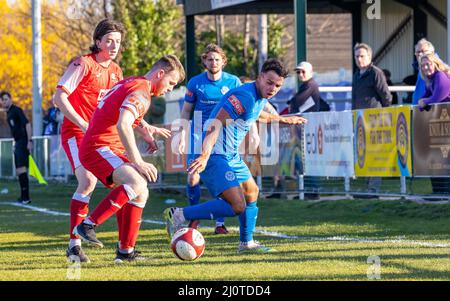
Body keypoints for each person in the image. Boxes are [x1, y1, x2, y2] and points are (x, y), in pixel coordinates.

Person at [165, 59, 306, 253]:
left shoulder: (257, 97)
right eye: (269, 82)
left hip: (229, 155)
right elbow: (214, 124)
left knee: (251, 192)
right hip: (214, 153)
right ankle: (179, 214)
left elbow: (256, 115)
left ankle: (246, 243)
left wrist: (282, 119)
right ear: (260, 77)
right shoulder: (244, 96)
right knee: (237, 205)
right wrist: (205, 156)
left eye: (278, 85)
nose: (273, 88)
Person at [73, 54, 185, 263]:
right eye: (171, 82)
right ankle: (88, 225)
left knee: (140, 192)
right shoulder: (142, 92)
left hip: (105, 147)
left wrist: (146, 130)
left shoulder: (133, 82)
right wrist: (138, 162)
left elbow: (123, 113)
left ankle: (126, 252)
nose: (170, 88)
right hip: (98, 147)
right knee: (137, 181)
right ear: (160, 74)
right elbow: (123, 124)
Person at [53, 19, 125, 263]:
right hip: (76, 132)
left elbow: (119, 107)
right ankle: (74, 245)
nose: (114, 45)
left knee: (126, 180)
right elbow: (59, 98)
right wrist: (84, 124)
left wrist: (143, 126)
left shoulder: (116, 71)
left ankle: (125, 248)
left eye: (117, 41)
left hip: (102, 136)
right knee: (87, 181)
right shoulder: (83, 63)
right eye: (109, 41)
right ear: (98, 42)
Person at [177, 44, 241, 234]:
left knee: (220, 182)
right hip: (198, 136)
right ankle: (194, 218)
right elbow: (186, 110)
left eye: (217, 59)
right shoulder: (195, 83)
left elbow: (241, 108)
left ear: (223, 61)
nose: (213, 62)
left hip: (222, 137)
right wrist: (181, 135)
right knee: (192, 178)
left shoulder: (233, 82)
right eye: (210, 59)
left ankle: (219, 224)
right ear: (204, 61)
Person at [352, 43, 392, 199]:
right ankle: (367, 188)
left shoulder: (376, 73)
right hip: (360, 121)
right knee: (364, 155)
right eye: (357, 56)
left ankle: (374, 190)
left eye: (362, 56)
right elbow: (354, 98)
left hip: (375, 121)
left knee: (374, 154)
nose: (359, 59)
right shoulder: (356, 75)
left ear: (369, 57)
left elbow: (386, 96)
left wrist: (385, 115)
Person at [0, 91, 32, 204]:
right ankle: (23, 196)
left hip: (23, 141)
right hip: (18, 142)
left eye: (6, 99)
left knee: (21, 169)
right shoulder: (8, 113)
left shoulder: (16, 110)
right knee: (19, 170)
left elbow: (27, 124)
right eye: (2, 100)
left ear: (10, 99)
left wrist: (29, 141)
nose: (4, 101)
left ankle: (26, 197)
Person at [412, 38, 435, 105]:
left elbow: (438, 94)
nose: (420, 54)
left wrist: (425, 102)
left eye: (423, 51)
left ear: (432, 52)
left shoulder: (436, 68)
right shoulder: (420, 68)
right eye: (417, 52)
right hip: (419, 109)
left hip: (430, 111)